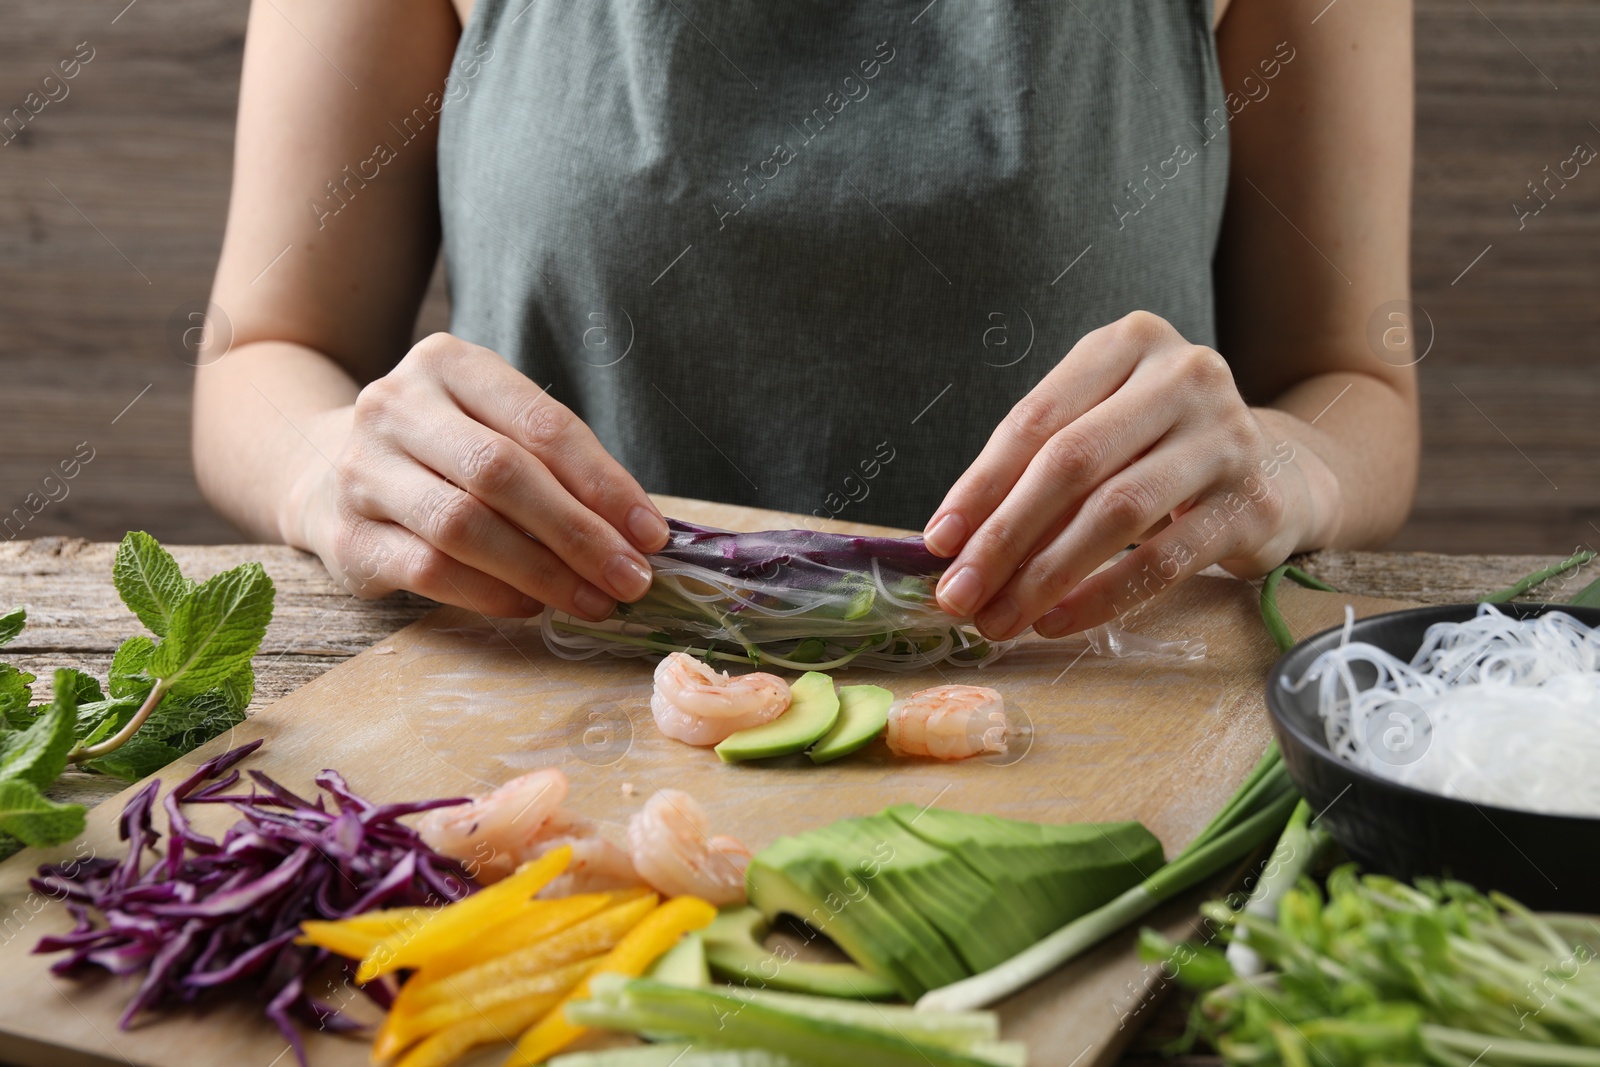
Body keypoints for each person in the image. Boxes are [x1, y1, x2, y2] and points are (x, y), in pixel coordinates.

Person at [193, 0, 1416, 644]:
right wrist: (325, 461)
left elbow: (1349, 377)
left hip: (1098, 726)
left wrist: (1280, 464)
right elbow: (262, 351)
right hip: (543, 723)